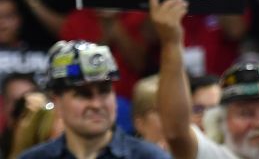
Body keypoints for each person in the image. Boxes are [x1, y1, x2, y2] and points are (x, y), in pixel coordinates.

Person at [152, 0, 259, 159]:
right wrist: (171, 42)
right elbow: (176, 132)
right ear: (220, 122)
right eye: (245, 113)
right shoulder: (211, 155)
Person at [18, 41, 167, 159]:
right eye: (83, 94)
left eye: (104, 92)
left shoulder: (149, 157)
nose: (96, 104)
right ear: (57, 101)